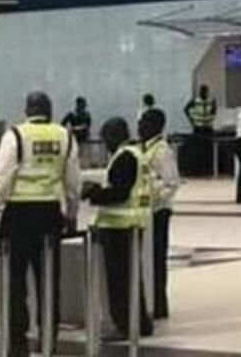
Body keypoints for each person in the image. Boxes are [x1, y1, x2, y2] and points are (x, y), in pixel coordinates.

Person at [0, 91, 81, 357]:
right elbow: (73, 184)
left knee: (14, 283)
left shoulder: (15, 135)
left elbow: (1, 181)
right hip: (49, 215)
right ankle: (49, 340)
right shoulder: (64, 136)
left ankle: (16, 344)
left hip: (18, 217)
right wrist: (71, 215)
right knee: (49, 281)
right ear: (50, 110)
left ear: (27, 110)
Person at [83, 117, 152, 339]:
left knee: (119, 280)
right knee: (132, 278)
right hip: (132, 224)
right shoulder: (136, 155)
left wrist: (94, 194)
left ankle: (123, 324)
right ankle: (139, 322)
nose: (106, 143)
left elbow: (119, 192)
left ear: (115, 136)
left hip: (120, 227)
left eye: (107, 138)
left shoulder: (125, 158)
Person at [139, 109, 179, 319]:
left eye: (144, 122)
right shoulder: (144, 148)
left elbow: (172, 182)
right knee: (147, 258)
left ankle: (159, 304)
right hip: (145, 211)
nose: (140, 126)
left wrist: (155, 195)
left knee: (157, 258)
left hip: (159, 211)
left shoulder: (162, 151)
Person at [184, 84, 218, 176]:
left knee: (208, 150)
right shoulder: (195, 101)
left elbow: (214, 111)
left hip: (207, 128)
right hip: (198, 128)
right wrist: (192, 121)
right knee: (198, 150)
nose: (203, 93)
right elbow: (186, 109)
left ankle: (208, 170)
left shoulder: (211, 101)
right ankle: (199, 170)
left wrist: (211, 118)